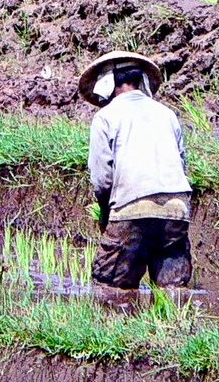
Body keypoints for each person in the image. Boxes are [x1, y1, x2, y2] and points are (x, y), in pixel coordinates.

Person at [80, 51, 192, 294]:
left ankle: (120, 329)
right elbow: (181, 163)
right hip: (177, 209)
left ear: (107, 85)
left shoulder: (105, 117)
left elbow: (102, 178)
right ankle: (178, 329)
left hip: (131, 206)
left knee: (111, 285)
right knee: (173, 289)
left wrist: (106, 213)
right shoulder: (167, 114)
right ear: (142, 81)